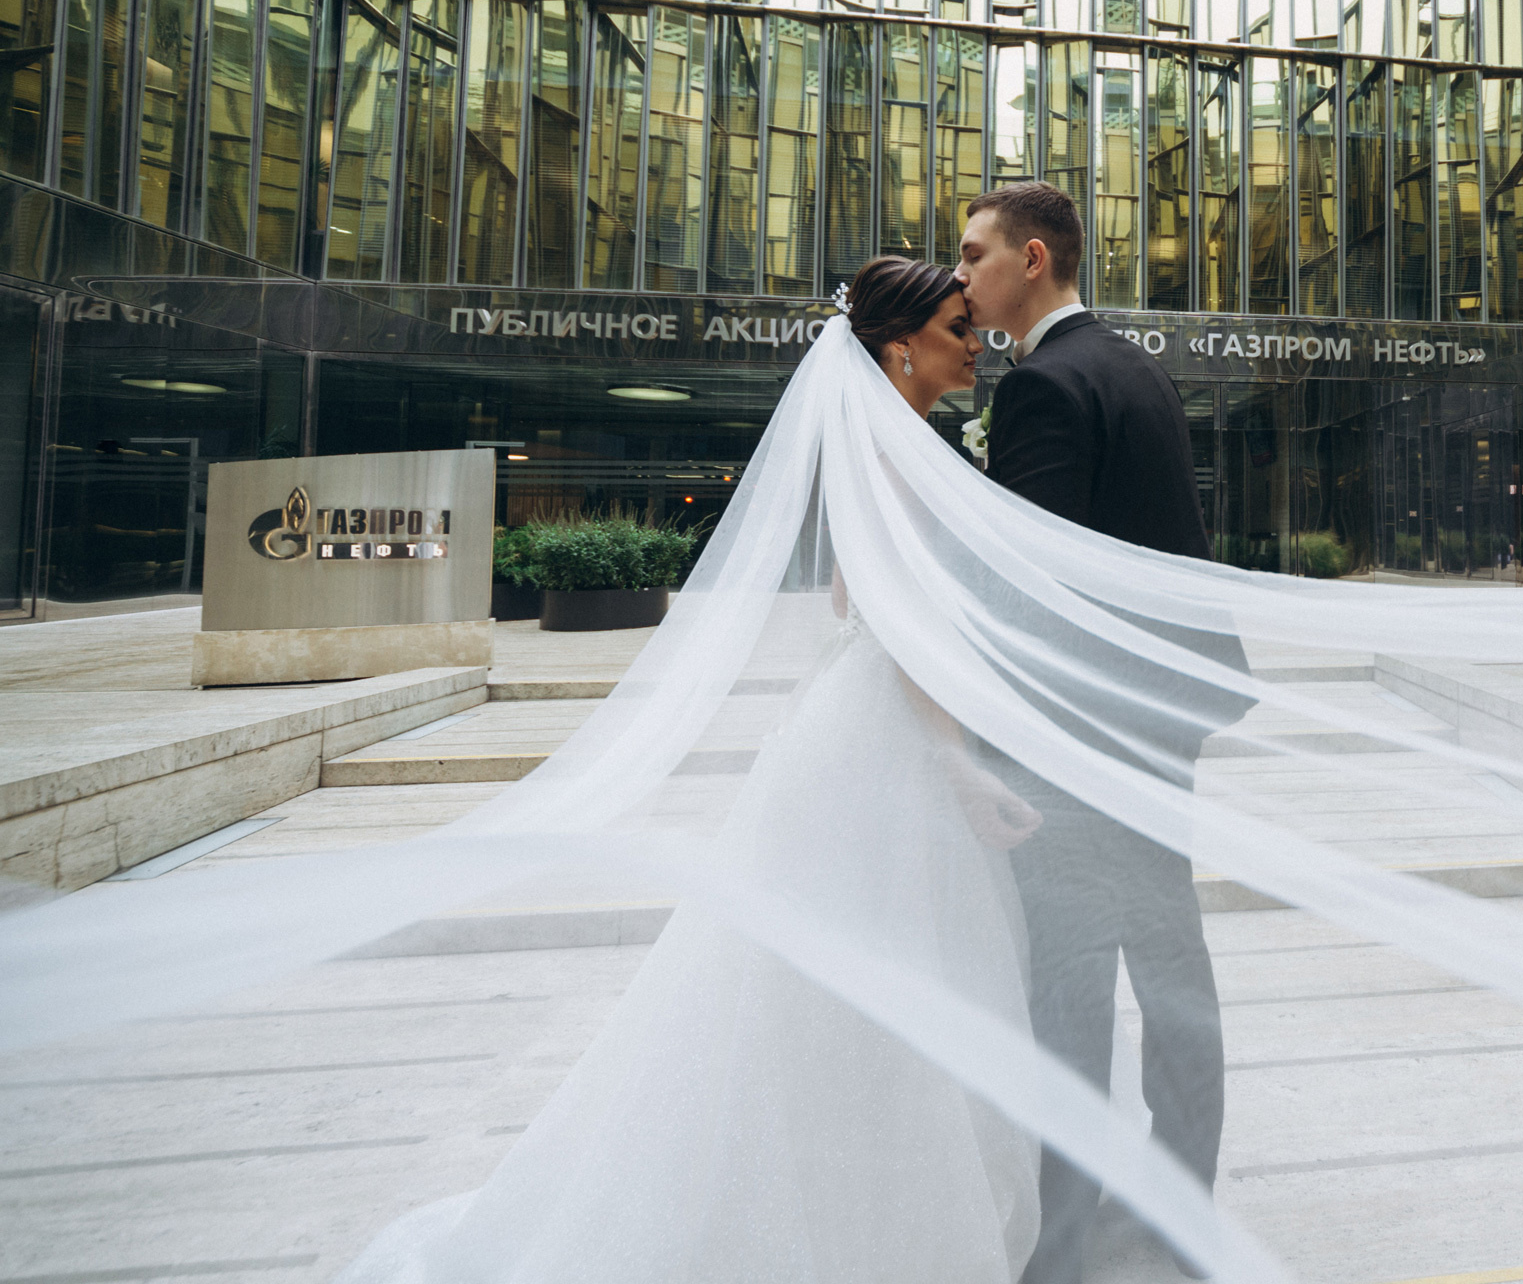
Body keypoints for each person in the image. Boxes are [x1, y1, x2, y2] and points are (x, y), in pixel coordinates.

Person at [334, 257, 1047, 1283]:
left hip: (850, 729)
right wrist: (955, 759)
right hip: (885, 739)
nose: (974, 343)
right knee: (885, 973)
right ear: (900, 347)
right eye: (954, 326)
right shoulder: (895, 455)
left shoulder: (879, 443)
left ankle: (837, 1205)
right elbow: (896, 624)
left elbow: (849, 598)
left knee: (841, 982)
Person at [955, 182, 1251, 1284]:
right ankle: (1180, 1202)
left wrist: (982, 739)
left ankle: (1065, 1241)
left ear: (1033, 259)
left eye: (975, 254)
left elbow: (1033, 588)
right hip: (1160, 714)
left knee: (1071, 991)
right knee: (1171, 963)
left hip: (1079, 736)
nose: (961, 276)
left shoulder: (1043, 386)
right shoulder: (1135, 367)